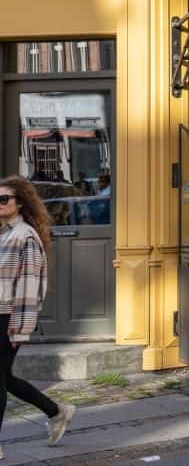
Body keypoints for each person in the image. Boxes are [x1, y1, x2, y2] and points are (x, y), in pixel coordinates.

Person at [0, 176, 77, 453]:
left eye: (4, 199)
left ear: (19, 203)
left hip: (9, 317)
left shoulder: (25, 236)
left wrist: (20, 328)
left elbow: (30, 287)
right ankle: (56, 411)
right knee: (5, 377)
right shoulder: (3, 233)